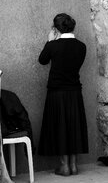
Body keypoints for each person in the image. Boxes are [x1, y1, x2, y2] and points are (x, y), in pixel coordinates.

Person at [38, 13, 88, 176]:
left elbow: (42, 60)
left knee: (60, 127)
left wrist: (50, 40)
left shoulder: (53, 46)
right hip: (74, 92)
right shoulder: (82, 46)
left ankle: (64, 165)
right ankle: (73, 165)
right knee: (73, 127)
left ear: (56, 28)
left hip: (57, 93)